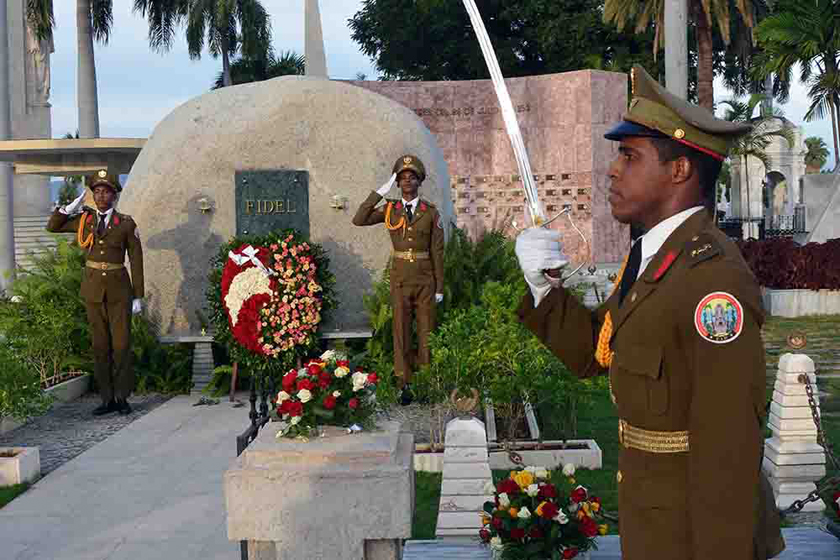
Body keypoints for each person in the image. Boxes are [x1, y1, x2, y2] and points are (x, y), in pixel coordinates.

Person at [515, 65, 777, 559]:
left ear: (678, 170)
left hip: (692, 536)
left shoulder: (711, 279)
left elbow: (728, 446)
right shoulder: (652, 256)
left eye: (630, 157)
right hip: (654, 520)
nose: (613, 170)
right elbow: (599, 353)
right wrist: (543, 289)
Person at [47, 170, 144, 416]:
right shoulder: (85, 221)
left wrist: (138, 295)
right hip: (92, 290)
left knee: (121, 346)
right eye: (97, 192)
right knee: (100, 346)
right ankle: (106, 399)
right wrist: (68, 208)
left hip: (119, 290)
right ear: (93, 195)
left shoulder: (126, 223)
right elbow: (53, 227)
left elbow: (136, 259)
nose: (101, 196)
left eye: (106, 191)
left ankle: (122, 397)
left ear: (114, 195)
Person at [353, 155, 445, 405]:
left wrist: (439, 287)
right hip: (400, 280)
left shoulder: (430, 212)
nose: (407, 182)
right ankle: (404, 384)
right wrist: (379, 192)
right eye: (402, 178)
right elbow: (359, 219)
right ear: (397, 183)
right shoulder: (390, 209)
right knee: (401, 332)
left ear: (419, 181)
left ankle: (425, 383)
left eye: (412, 177)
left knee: (427, 333)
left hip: (425, 281)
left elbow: (437, 251)